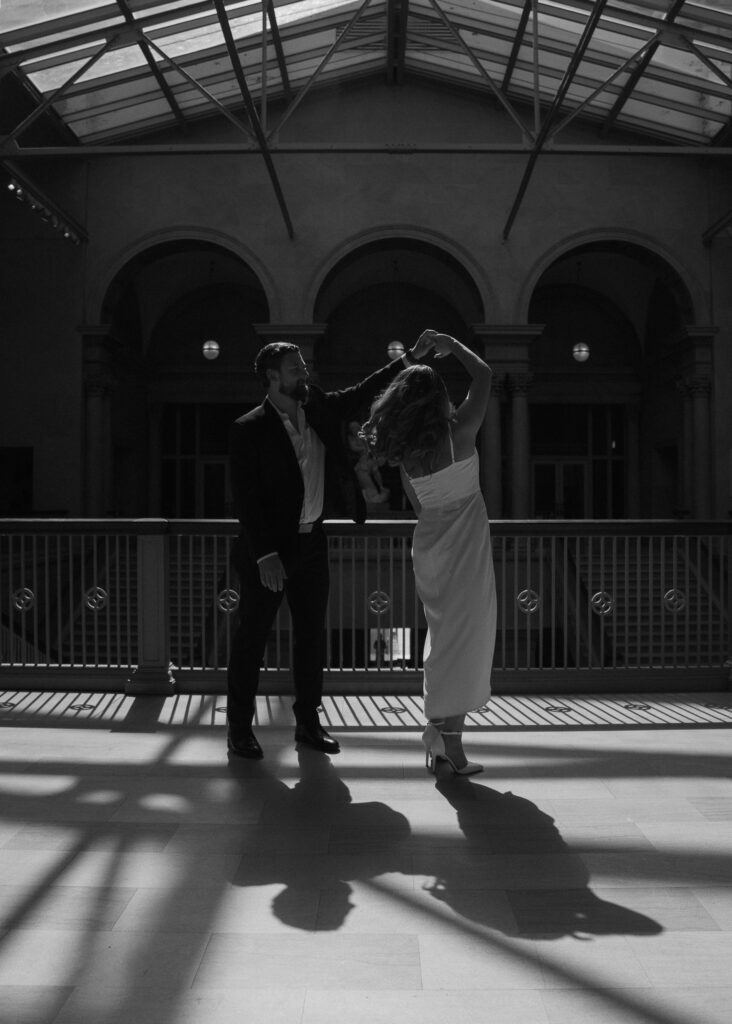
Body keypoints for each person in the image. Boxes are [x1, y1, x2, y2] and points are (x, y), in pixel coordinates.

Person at [226, 335, 434, 759]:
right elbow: (246, 499)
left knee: (310, 640)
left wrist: (410, 358)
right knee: (251, 641)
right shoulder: (248, 428)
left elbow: (362, 391)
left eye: (303, 366)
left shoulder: (317, 407)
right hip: (267, 553)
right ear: (271, 377)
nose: (304, 372)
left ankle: (308, 724)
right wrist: (265, 555)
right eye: (295, 368)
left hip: (311, 545)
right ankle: (239, 731)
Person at [361, 329, 497, 774]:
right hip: (466, 545)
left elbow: (421, 507)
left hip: (431, 544)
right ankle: (450, 747)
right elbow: (484, 374)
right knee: (466, 643)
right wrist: (453, 346)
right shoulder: (461, 433)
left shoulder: (406, 455)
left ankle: (438, 735)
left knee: (442, 640)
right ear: (438, 397)